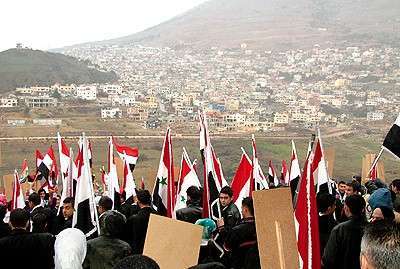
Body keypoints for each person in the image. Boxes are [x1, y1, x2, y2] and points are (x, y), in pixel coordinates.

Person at [322, 194, 368, 269]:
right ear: (363, 209)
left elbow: (328, 259)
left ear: (346, 208)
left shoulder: (339, 230)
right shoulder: (371, 229)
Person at [221, 197, 260, 269]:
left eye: (242, 208)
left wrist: (221, 229)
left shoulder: (236, 230)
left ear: (245, 209)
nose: (241, 211)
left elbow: (226, 249)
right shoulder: (262, 228)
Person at [124, 190, 157, 254]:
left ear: (138, 201)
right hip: (154, 251)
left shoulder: (134, 219)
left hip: (139, 252)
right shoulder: (158, 215)